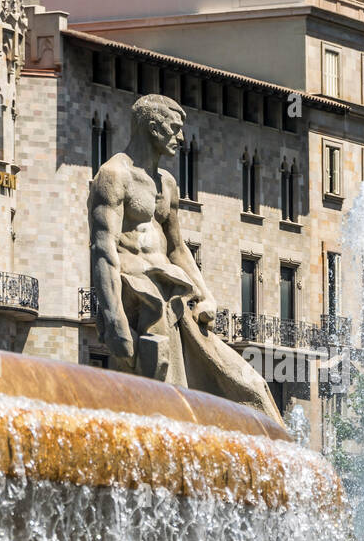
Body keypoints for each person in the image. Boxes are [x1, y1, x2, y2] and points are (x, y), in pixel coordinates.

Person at [87, 94, 284, 425]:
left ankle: (280, 462)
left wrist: (205, 292)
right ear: (153, 127)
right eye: (175, 129)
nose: (181, 138)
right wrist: (115, 319)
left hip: (177, 297)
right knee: (162, 404)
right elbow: (103, 249)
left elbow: (178, 248)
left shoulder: (167, 183)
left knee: (248, 384)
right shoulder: (113, 175)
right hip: (140, 299)